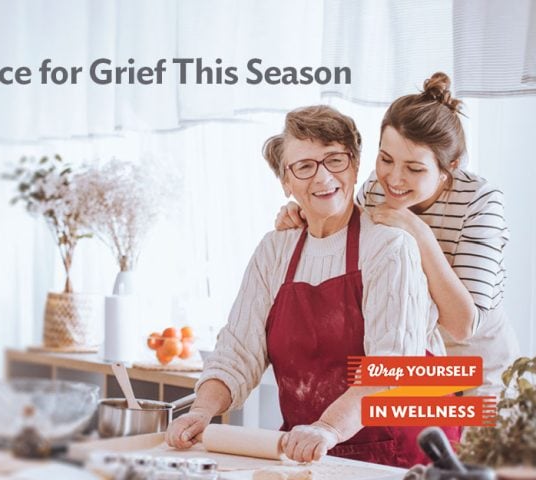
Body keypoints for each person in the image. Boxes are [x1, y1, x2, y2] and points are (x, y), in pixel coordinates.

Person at [166, 105, 451, 468]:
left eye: (335, 160)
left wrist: (328, 426)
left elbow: (390, 366)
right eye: (304, 166)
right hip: (309, 449)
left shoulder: (390, 247)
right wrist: (202, 409)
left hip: (394, 455)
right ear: (286, 182)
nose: (322, 178)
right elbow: (238, 351)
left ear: (355, 163)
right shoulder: (274, 250)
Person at [274, 73, 519, 396]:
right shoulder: (375, 189)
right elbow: (349, 244)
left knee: (469, 445)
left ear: (450, 167)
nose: (394, 179)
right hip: (415, 360)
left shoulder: (480, 200)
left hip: (478, 365)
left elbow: (462, 325)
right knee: (418, 445)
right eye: (386, 159)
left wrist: (417, 230)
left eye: (414, 168)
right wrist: (303, 214)